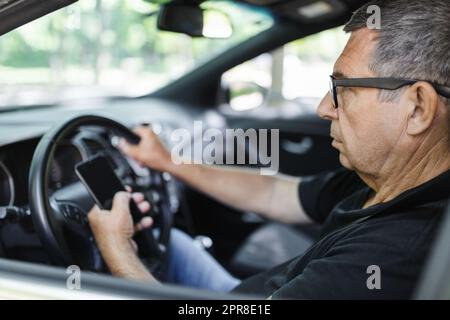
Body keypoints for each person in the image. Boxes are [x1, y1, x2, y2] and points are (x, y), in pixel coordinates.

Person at [88, 0, 450, 299]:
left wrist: (119, 252)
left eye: (345, 88)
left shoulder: (392, 256)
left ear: (418, 107)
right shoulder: (390, 180)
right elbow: (277, 192)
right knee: (173, 242)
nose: (323, 107)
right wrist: (168, 162)